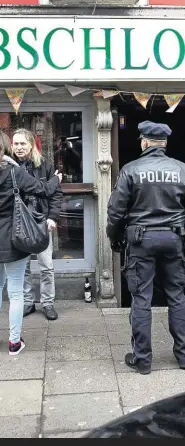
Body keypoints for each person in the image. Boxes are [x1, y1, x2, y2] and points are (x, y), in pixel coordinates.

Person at [0, 131, 61, 355]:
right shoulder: (15, 172)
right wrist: (56, 179)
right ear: (8, 149)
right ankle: (14, 342)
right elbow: (43, 190)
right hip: (15, 238)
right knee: (15, 292)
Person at [107, 121, 185, 375]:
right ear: (164, 143)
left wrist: (115, 237)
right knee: (177, 296)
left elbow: (116, 211)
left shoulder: (131, 170)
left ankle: (143, 360)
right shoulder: (181, 169)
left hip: (142, 240)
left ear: (144, 142)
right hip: (174, 239)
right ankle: (183, 356)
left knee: (141, 298)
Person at [12, 129, 63, 321]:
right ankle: (28, 302)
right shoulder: (9, 166)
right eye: (15, 144)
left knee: (46, 266)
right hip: (20, 223)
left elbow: (56, 194)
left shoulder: (46, 165)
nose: (18, 147)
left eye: (22, 143)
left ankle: (48, 303)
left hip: (42, 221)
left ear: (31, 145)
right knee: (22, 266)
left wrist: (53, 217)